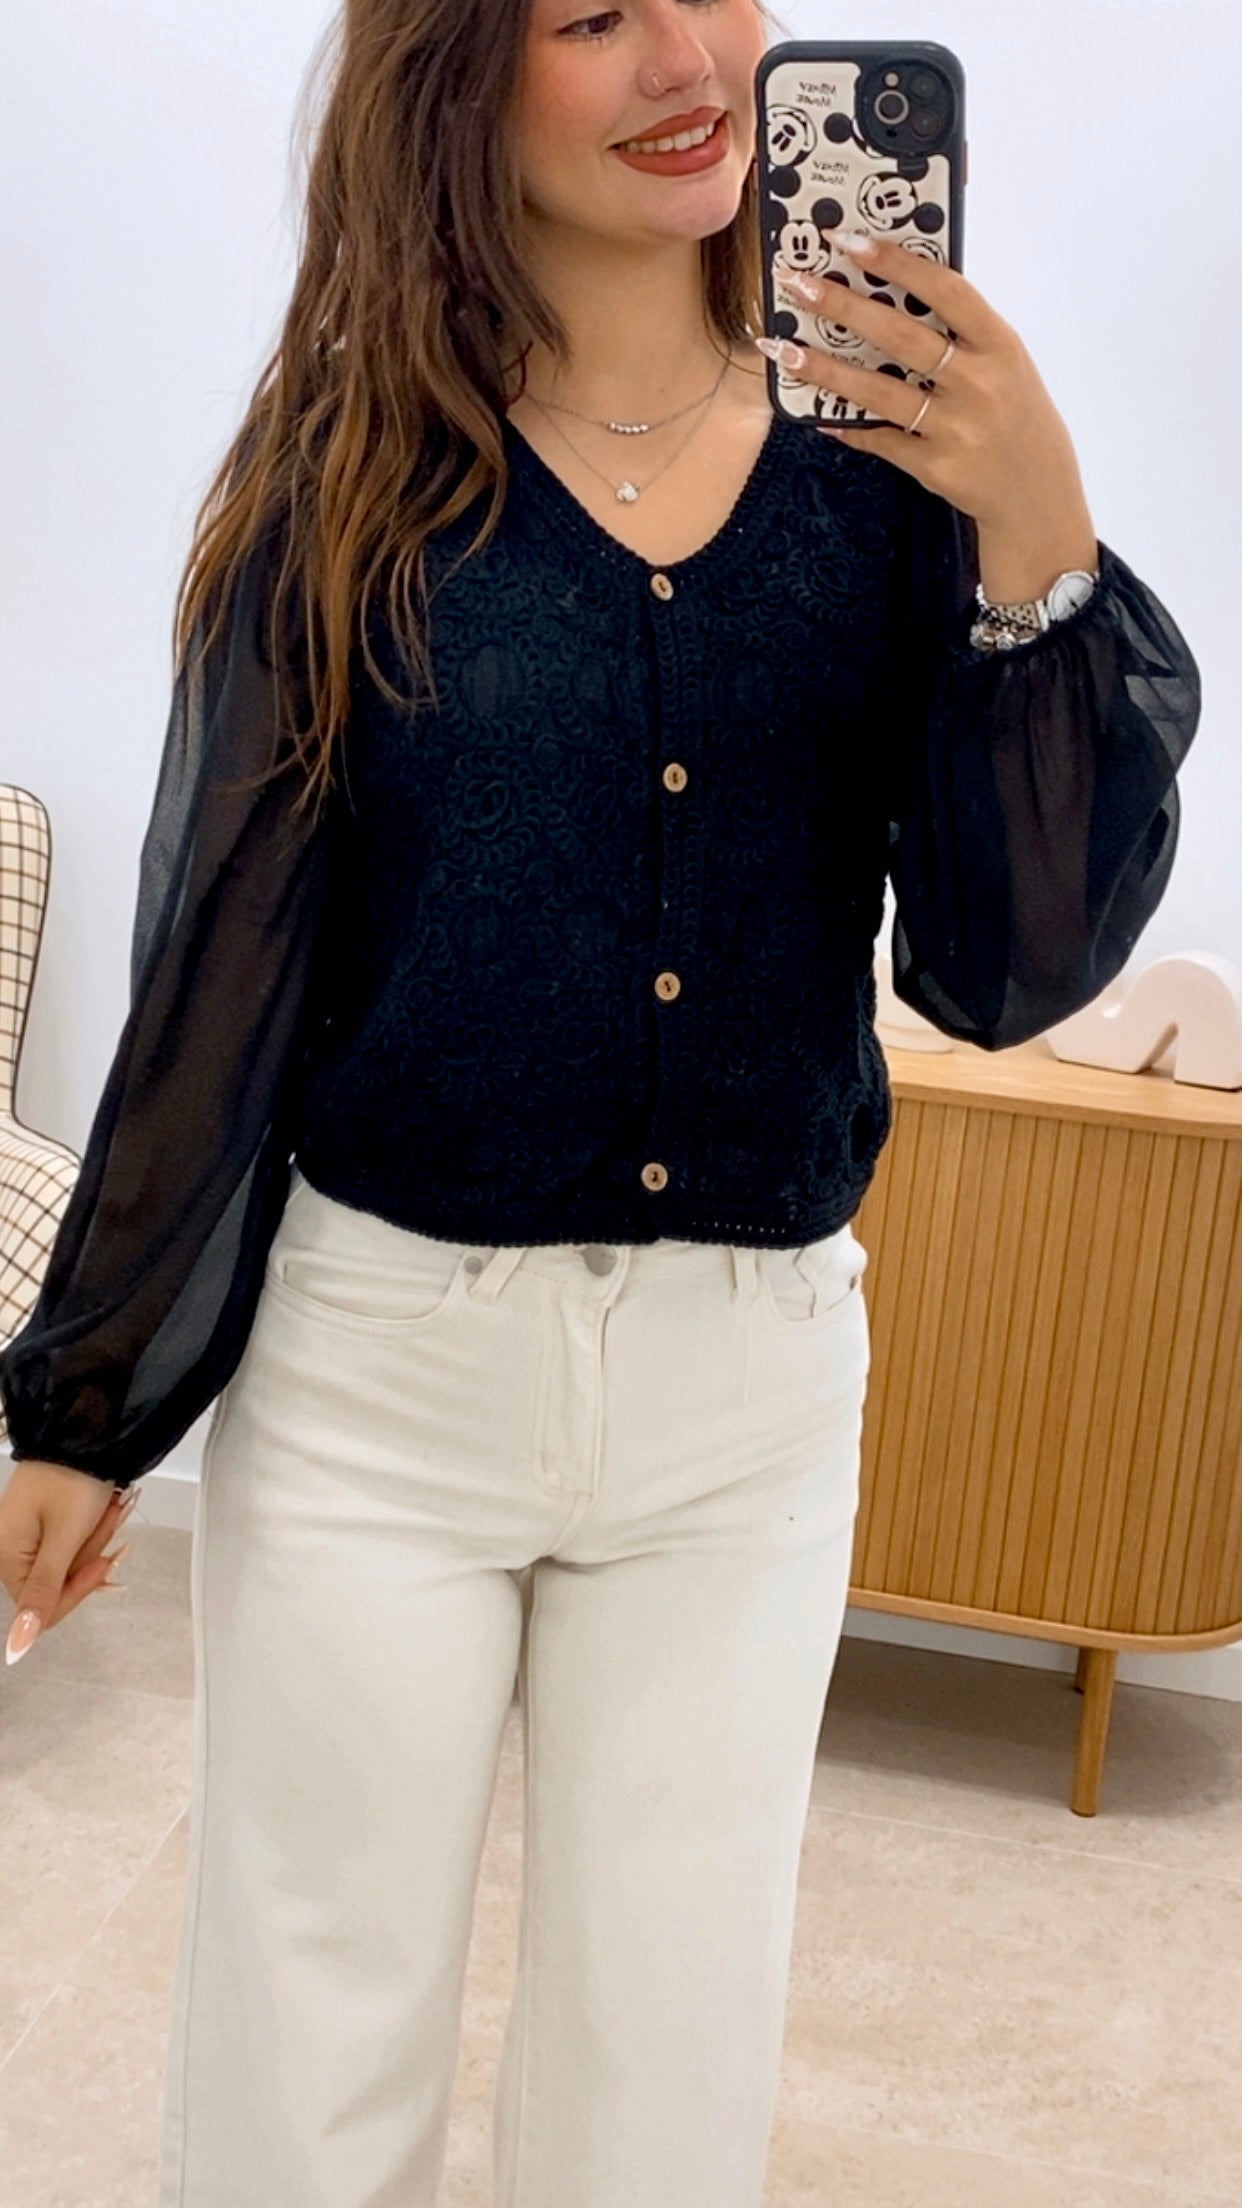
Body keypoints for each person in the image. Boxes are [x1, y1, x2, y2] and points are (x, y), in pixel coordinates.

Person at [0, 2, 1201, 2203]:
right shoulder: (350, 481)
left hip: (744, 1404)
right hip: (380, 1378)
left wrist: (1036, 528)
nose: (690, 62)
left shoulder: (890, 475)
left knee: (667, 2072)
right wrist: (91, 1402)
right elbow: (224, 970)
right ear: (459, 79)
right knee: (303, 2041)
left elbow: (1003, 966)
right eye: (589, 17)